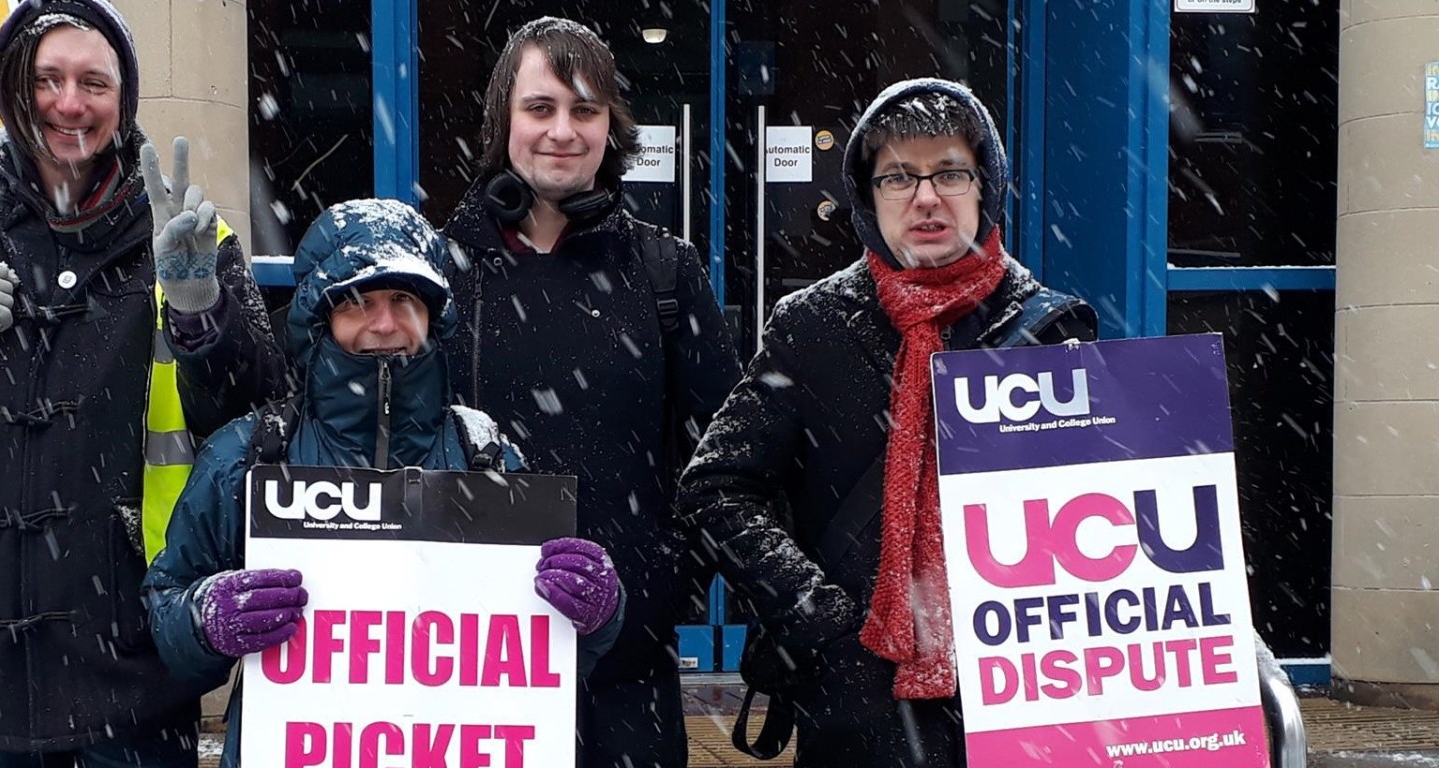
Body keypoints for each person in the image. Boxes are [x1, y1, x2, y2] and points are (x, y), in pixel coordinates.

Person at [0, 0, 282, 763]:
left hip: (137, 660)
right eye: (48, 79)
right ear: (13, 88)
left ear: (124, 99)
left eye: (94, 83)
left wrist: (202, 310)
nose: (70, 104)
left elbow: (256, 413)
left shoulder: (191, 233)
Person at [675, 77, 1098, 767]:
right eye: (899, 176)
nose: (926, 197)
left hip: (1021, 698)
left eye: (950, 173)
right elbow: (717, 485)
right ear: (868, 197)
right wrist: (818, 615)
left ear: (985, 186)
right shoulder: (813, 327)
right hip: (857, 704)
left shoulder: (1049, 329)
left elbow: (1107, 513)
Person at [141, 199, 628, 767]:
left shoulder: (486, 457)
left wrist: (598, 611)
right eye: (356, 302)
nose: (384, 324)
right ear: (320, 318)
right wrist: (205, 619)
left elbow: (551, 651)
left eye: (404, 299)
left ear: (433, 316)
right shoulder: (250, 453)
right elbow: (166, 607)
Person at [436, 18, 742, 767]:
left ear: (612, 127)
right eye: (540, 108)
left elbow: (736, 454)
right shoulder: (437, 273)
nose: (562, 131)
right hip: (467, 664)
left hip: (625, 669)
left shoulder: (664, 272)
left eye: (585, 110)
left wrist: (668, 577)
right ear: (503, 120)